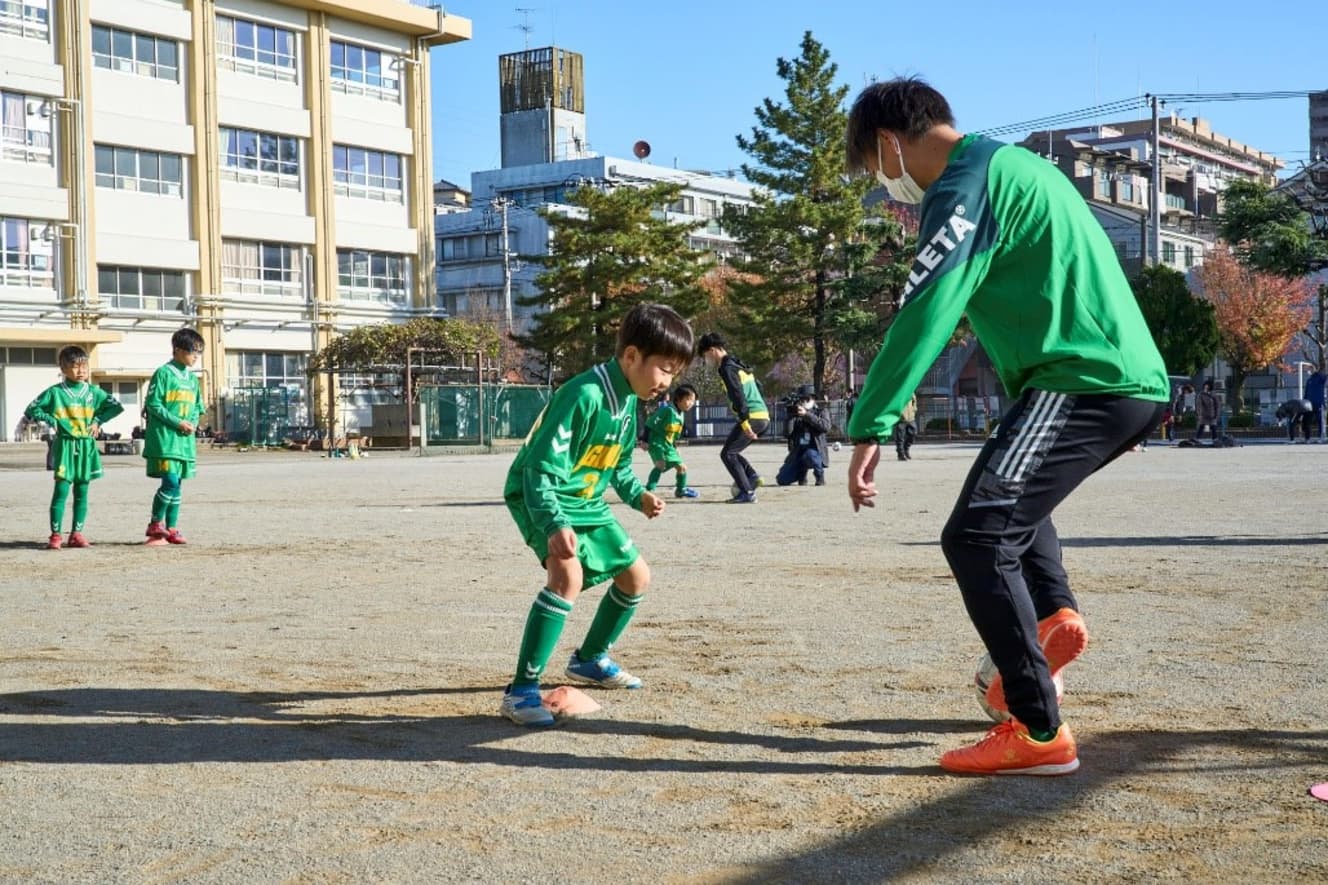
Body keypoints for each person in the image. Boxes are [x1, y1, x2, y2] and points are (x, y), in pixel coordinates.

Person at [844, 77, 1169, 775]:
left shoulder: (962, 188)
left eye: (875, 170)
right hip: (1103, 376)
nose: (885, 185)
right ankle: (1050, 615)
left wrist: (871, 419)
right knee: (1007, 504)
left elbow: (926, 307)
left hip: (1083, 377)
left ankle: (1038, 728)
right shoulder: (1017, 165)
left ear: (887, 143)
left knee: (976, 533)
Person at [499, 303, 694, 727]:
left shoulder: (629, 402)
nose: (667, 382)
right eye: (664, 368)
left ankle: (588, 660)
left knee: (636, 575)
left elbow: (618, 466)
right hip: (542, 495)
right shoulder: (583, 394)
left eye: (674, 374)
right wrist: (552, 522)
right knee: (567, 577)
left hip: (586, 503)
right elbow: (539, 468)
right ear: (631, 356)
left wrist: (638, 494)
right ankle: (521, 691)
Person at [23, 346, 124, 549]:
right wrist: (53, 420)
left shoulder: (94, 392)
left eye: (84, 366)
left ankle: (77, 533)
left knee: (82, 490)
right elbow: (32, 409)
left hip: (86, 446)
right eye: (75, 366)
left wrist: (97, 421)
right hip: (65, 445)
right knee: (61, 489)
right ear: (63, 368)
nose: (81, 371)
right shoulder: (55, 392)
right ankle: (56, 535)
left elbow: (115, 406)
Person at [142, 328, 206, 545]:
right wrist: (177, 422)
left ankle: (171, 528)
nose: (196, 356)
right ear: (178, 350)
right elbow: (153, 404)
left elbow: (198, 407)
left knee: (177, 485)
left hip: (184, 442)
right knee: (169, 482)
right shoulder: (164, 373)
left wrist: (193, 424)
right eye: (192, 351)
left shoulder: (193, 379)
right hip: (165, 438)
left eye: (199, 351)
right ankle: (155, 523)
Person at [697, 332, 769, 503]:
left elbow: (737, 395)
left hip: (752, 416)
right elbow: (758, 387)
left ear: (713, 350)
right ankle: (752, 476)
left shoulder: (726, 368)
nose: (706, 360)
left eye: (705, 356)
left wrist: (745, 422)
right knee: (732, 451)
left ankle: (748, 492)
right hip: (763, 415)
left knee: (727, 454)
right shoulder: (738, 364)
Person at [644, 383, 700, 498]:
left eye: (693, 401)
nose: (691, 404)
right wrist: (644, 440)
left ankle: (681, 490)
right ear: (679, 399)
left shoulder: (681, 415)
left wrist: (675, 447)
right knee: (660, 465)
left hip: (668, 445)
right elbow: (650, 423)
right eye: (689, 400)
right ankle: (648, 491)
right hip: (657, 442)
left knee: (682, 467)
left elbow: (673, 435)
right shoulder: (667, 410)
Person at [776, 386, 830, 486]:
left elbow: (825, 427)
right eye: (802, 399)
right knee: (782, 480)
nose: (804, 402)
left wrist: (807, 415)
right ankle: (802, 474)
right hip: (798, 451)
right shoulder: (796, 414)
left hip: (815, 451)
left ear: (813, 399)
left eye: (807, 399)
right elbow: (787, 433)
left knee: (810, 454)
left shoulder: (821, 411)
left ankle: (819, 475)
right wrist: (790, 417)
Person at [894, 394, 918, 460]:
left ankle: (906, 449)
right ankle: (900, 454)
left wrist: (914, 410)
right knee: (900, 438)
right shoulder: (899, 391)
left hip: (911, 418)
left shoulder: (911, 390)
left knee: (913, 434)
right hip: (900, 419)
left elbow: (914, 400)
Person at [1305, 368, 1326, 441]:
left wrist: (1317, 371)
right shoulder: (1309, 380)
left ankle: (1321, 437)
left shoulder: (1320, 378)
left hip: (1319, 403)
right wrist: (1305, 402)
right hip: (1309, 404)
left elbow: (1324, 377)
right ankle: (1307, 438)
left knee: (1320, 420)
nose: (1309, 371)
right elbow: (1306, 393)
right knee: (1307, 420)